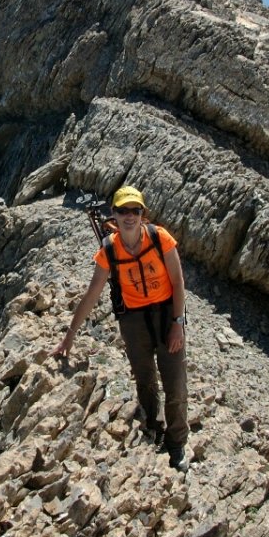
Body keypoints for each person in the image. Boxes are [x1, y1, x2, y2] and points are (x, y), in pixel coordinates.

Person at [53, 186, 190, 469]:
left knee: (175, 384)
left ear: (143, 214)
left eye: (135, 210)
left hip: (166, 315)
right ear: (113, 214)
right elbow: (91, 295)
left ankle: (176, 444)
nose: (130, 216)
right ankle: (154, 425)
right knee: (145, 378)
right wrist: (69, 337)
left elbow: (178, 283)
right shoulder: (109, 250)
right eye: (123, 210)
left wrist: (178, 324)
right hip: (133, 320)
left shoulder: (159, 238)